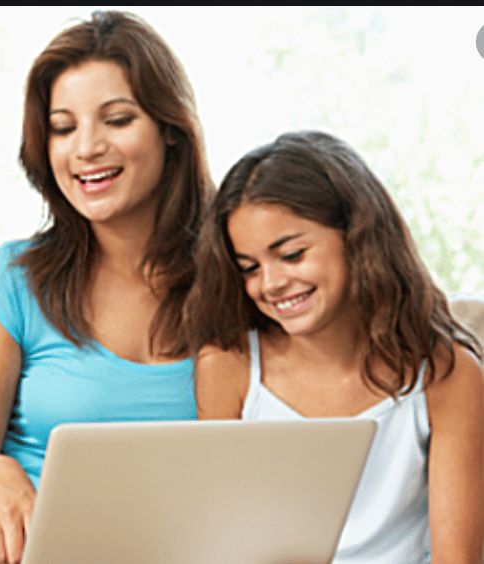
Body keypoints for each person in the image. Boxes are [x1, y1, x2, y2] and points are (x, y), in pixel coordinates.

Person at [0, 11, 215, 564]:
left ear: (170, 129)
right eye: (63, 127)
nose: (86, 148)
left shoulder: (237, 282)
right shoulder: (11, 278)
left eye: (117, 120)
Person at [184, 130, 484, 563]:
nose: (269, 284)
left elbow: (457, 560)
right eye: (249, 267)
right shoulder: (228, 368)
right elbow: (229, 542)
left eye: (291, 255)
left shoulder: (448, 374)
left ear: (356, 236)